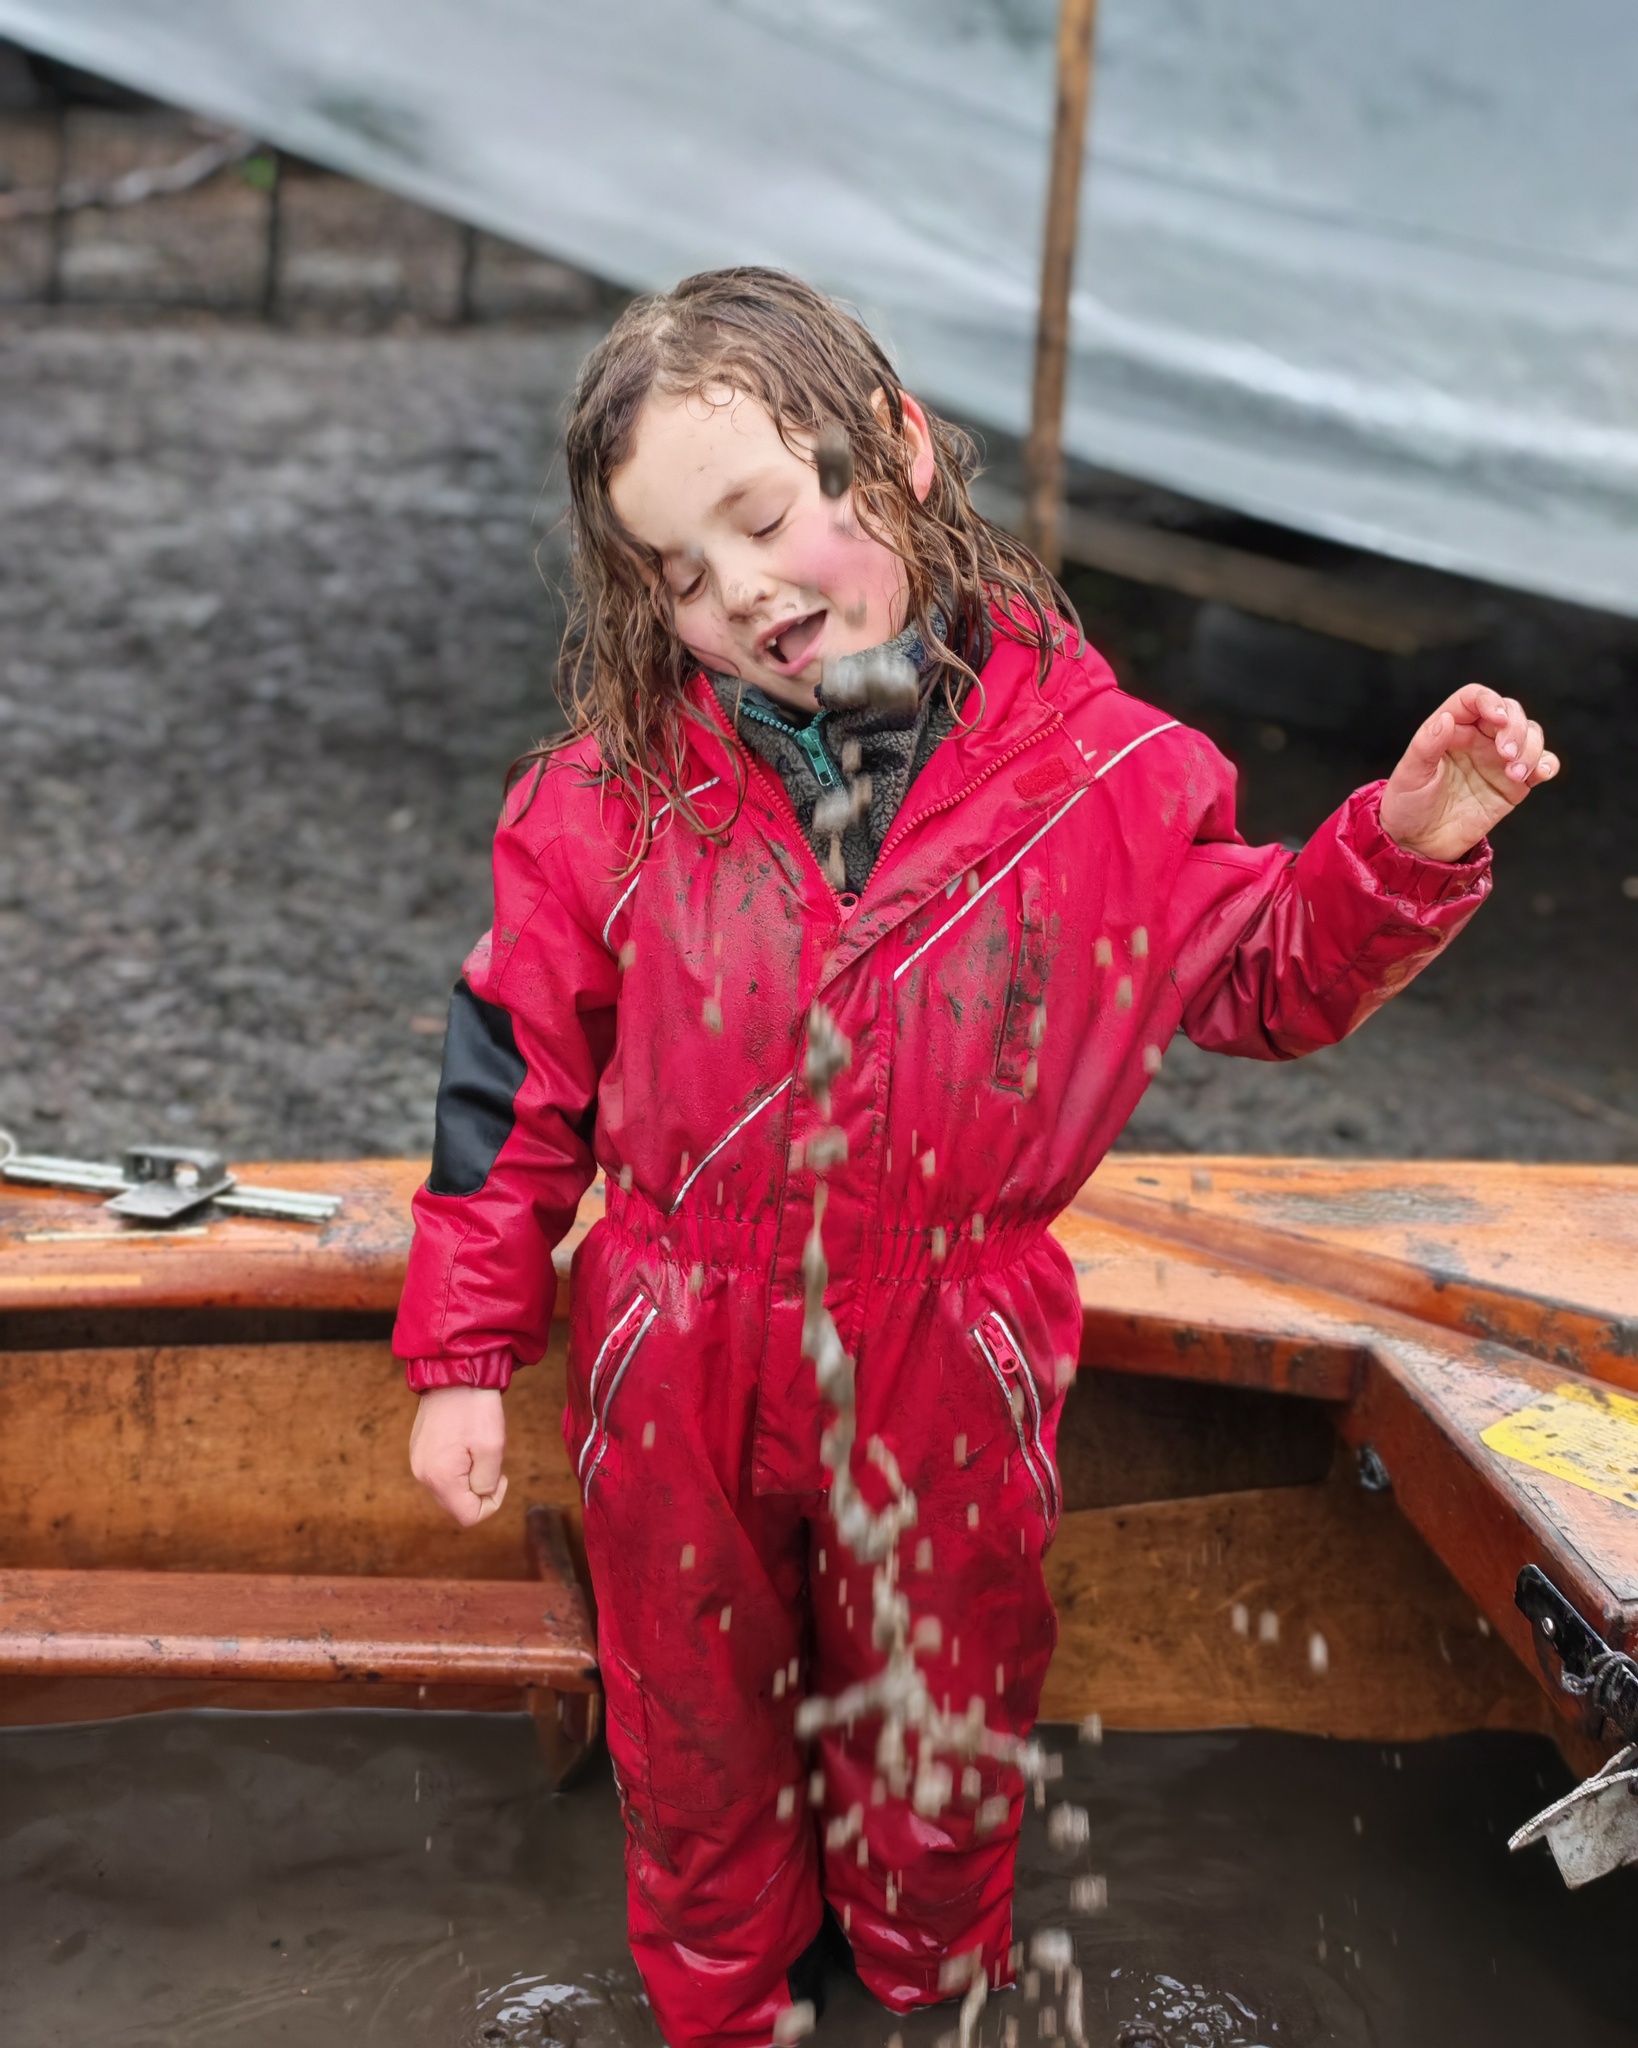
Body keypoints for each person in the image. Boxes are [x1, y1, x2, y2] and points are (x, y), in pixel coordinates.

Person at [394, 268, 1557, 2048]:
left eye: (764, 520)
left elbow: (1260, 978)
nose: (738, 593)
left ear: (901, 453)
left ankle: (927, 1999)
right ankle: (722, 2014)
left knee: (943, 1734)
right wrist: (466, 1354)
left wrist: (1403, 844)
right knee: (691, 1738)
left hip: (952, 1341)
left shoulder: (1110, 776)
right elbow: (507, 1083)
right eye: (676, 574)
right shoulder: (598, 798)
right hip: (671, 1351)